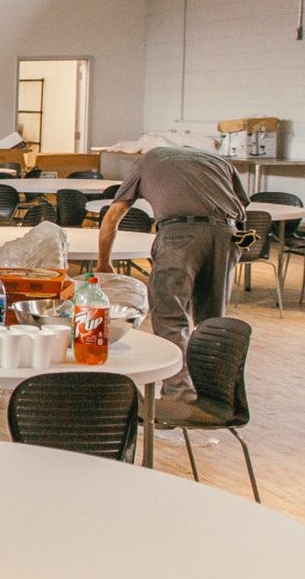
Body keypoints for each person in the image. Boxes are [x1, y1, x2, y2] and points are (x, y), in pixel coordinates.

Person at [96, 145, 248, 397]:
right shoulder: (216, 160)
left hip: (179, 235)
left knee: (170, 317)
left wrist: (104, 261)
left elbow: (113, 216)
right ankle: (213, 394)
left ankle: (180, 395)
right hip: (228, 234)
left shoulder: (147, 160)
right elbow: (241, 203)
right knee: (211, 322)